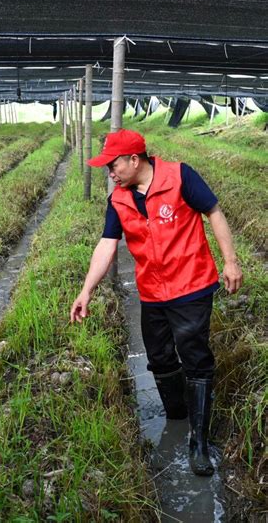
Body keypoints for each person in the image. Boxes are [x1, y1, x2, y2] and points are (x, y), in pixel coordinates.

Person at [70, 129, 243, 477]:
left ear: (135, 160)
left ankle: (198, 442)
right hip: (152, 291)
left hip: (191, 286)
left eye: (113, 165)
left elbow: (214, 212)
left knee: (195, 357)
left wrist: (231, 261)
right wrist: (86, 290)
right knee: (160, 358)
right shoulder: (118, 199)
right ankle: (178, 415)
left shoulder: (180, 176)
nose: (110, 173)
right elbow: (107, 244)